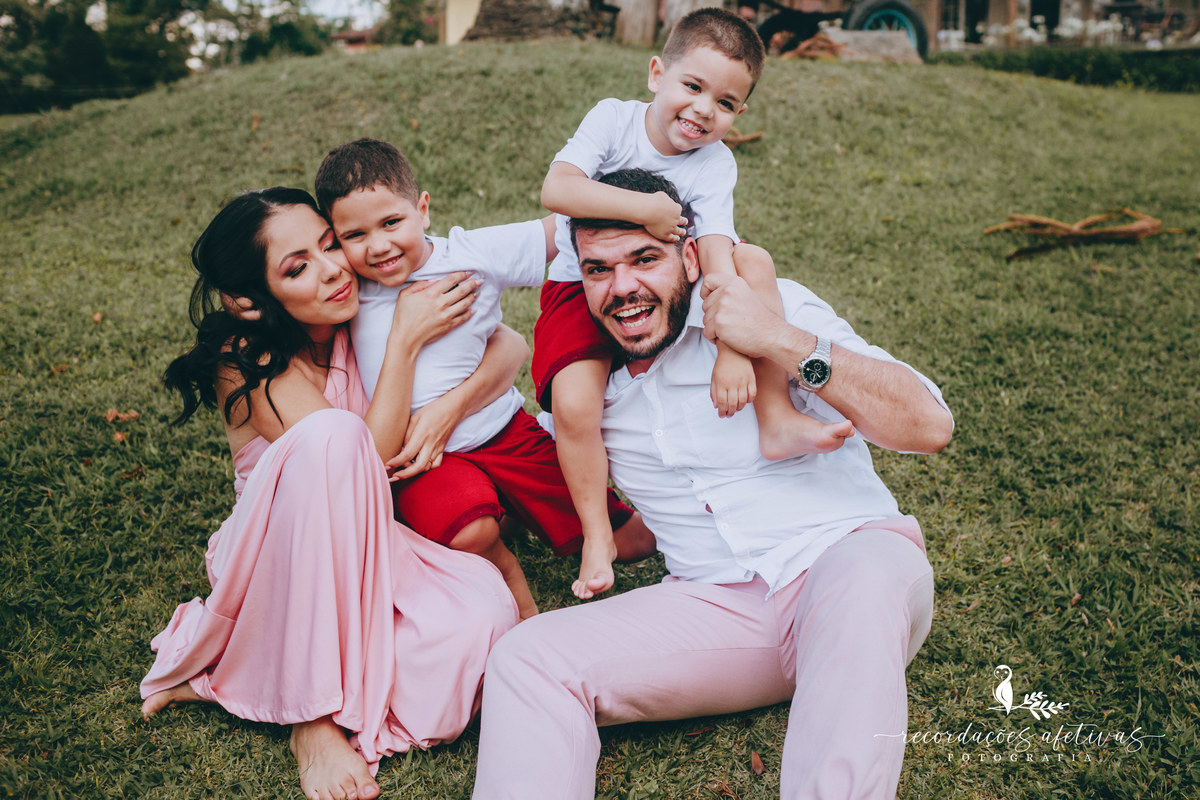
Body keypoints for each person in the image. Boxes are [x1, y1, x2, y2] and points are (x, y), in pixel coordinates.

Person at [472, 170, 954, 800]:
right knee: (526, 655)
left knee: (861, 579)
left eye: (644, 259)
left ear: (691, 255)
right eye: (598, 270)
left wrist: (776, 339)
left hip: (844, 564)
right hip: (717, 611)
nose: (623, 289)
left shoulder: (769, 308)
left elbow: (927, 424)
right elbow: (510, 457)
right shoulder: (587, 398)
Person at [141, 187, 522, 800]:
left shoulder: (365, 303)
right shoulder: (245, 358)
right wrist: (402, 343)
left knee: (483, 618)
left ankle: (272, 675)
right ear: (247, 300)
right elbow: (356, 462)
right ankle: (311, 721)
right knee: (332, 435)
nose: (332, 271)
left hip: (374, 543)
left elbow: (511, 347)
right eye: (298, 267)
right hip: (280, 557)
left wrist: (447, 409)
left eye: (328, 244)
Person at [535, 7, 852, 602]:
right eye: (693, 86)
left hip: (667, 289)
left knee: (752, 262)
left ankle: (776, 415)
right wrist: (647, 213)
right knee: (576, 408)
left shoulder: (714, 163)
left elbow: (716, 255)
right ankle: (599, 533)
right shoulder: (614, 120)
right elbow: (558, 190)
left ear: (740, 113)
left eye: (726, 103)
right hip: (583, 288)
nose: (705, 110)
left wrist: (732, 350)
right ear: (657, 73)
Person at [313, 138, 655, 620]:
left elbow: (567, 227)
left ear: (423, 209)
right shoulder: (347, 294)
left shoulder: (470, 253)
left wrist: (658, 197)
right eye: (355, 235)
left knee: (633, 541)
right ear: (336, 239)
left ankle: (515, 509)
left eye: (392, 222)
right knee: (469, 531)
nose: (379, 246)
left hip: (504, 432)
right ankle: (513, 588)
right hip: (427, 460)